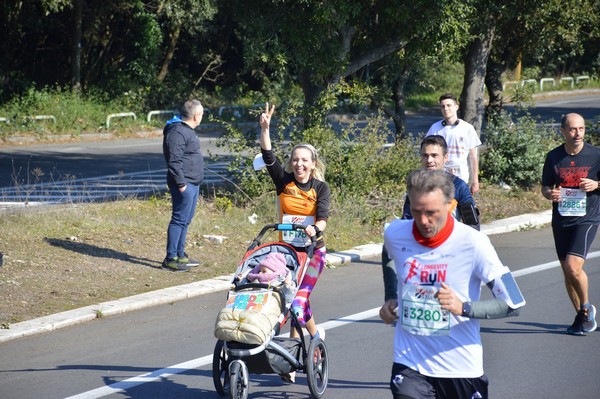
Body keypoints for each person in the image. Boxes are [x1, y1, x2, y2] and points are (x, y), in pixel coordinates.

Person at [380, 169, 525, 399]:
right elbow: (388, 253)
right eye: (417, 212)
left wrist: (464, 308)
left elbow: (514, 302)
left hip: (461, 366)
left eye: (432, 212)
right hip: (410, 362)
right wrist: (390, 296)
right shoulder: (396, 233)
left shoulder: (475, 243)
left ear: (450, 205)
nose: (423, 221)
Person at [259, 102, 330, 383]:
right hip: (287, 254)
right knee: (289, 301)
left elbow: (323, 218)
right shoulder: (284, 182)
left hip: (313, 255)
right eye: (295, 160)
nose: (299, 164)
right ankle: (301, 345)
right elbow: (267, 155)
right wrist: (265, 129)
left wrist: (314, 228)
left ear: (313, 164)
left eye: (305, 160)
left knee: (297, 305)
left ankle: (312, 338)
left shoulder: (320, 188)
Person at [382, 135, 480, 302]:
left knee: (446, 303)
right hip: (420, 255)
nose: (429, 160)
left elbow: (473, 226)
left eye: (434, 156)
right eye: (425, 155)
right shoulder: (415, 187)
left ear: (445, 158)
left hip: (449, 255)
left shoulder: (459, 187)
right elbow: (407, 221)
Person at [541, 112, 599, 335]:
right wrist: (550, 194)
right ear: (563, 131)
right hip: (561, 218)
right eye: (573, 129)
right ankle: (580, 315)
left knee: (574, 267)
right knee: (567, 271)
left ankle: (586, 308)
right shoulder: (554, 157)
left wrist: (596, 184)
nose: (578, 133)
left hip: (587, 217)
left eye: (582, 129)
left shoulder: (595, 155)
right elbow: (546, 186)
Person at [161, 99, 204, 272]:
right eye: (201, 114)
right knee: (178, 220)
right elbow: (174, 160)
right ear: (195, 115)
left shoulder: (188, 130)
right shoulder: (177, 132)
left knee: (185, 221)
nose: (202, 117)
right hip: (184, 184)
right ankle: (170, 258)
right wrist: (181, 184)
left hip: (193, 182)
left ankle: (180, 254)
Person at [426, 93, 481, 194]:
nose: (446, 109)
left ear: (456, 107)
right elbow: (426, 153)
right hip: (439, 178)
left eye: (449, 105)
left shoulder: (467, 128)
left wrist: (475, 181)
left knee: (461, 207)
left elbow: (473, 157)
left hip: (461, 178)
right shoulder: (435, 128)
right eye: (443, 106)